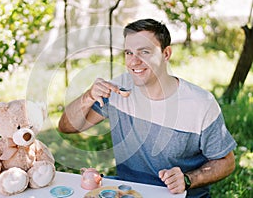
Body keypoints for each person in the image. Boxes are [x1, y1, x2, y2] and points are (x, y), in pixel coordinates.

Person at [58, 19, 237, 197]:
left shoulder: (201, 103)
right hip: (129, 193)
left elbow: (226, 162)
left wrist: (188, 179)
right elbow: (67, 127)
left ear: (166, 54)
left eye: (144, 52)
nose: (134, 62)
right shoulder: (118, 89)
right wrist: (88, 96)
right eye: (129, 53)